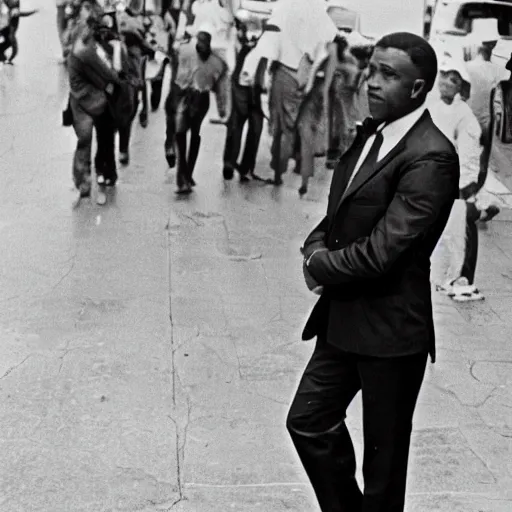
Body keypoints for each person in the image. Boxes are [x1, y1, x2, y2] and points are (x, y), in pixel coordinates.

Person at [287, 33, 460, 512]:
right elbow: (338, 216)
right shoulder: (371, 133)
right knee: (307, 420)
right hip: (343, 320)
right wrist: (314, 247)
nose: (374, 83)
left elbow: (383, 252)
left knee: (383, 470)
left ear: (419, 87)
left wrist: (320, 265)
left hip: (390, 332)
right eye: (373, 70)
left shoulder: (431, 155)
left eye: (390, 75)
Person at [243, 0, 338, 186]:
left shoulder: (287, 6)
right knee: (297, 122)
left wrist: (252, 71)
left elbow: (269, 41)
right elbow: (326, 43)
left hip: (285, 70)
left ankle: (278, 172)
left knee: (282, 126)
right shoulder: (320, 13)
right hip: (305, 73)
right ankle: (298, 161)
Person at [428, 58, 499, 301]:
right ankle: (450, 277)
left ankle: (463, 280)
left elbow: (468, 160)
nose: (447, 82)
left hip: (458, 186)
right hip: (439, 183)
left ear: (462, 88)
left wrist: (462, 190)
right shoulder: (436, 108)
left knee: (461, 233)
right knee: (449, 234)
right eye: (445, 75)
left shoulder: (464, 117)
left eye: (454, 79)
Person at [67, 0, 122, 205]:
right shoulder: (86, 50)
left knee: (90, 139)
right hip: (87, 100)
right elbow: (108, 74)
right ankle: (85, 182)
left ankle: (87, 181)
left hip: (83, 96)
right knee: (87, 139)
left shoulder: (82, 39)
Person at [164, 25, 227, 194]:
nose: (201, 46)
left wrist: (222, 109)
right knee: (180, 132)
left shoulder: (216, 62)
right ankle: (182, 174)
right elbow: (177, 70)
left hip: (201, 99)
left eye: (204, 43)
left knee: (194, 132)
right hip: (186, 95)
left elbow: (220, 86)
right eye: (199, 42)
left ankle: (187, 172)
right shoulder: (187, 52)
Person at [221, 11, 264, 182]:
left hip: (256, 87)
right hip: (242, 84)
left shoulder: (263, 36)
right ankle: (230, 163)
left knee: (253, 128)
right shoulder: (236, 37)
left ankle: (244, 166)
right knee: (237, 125)